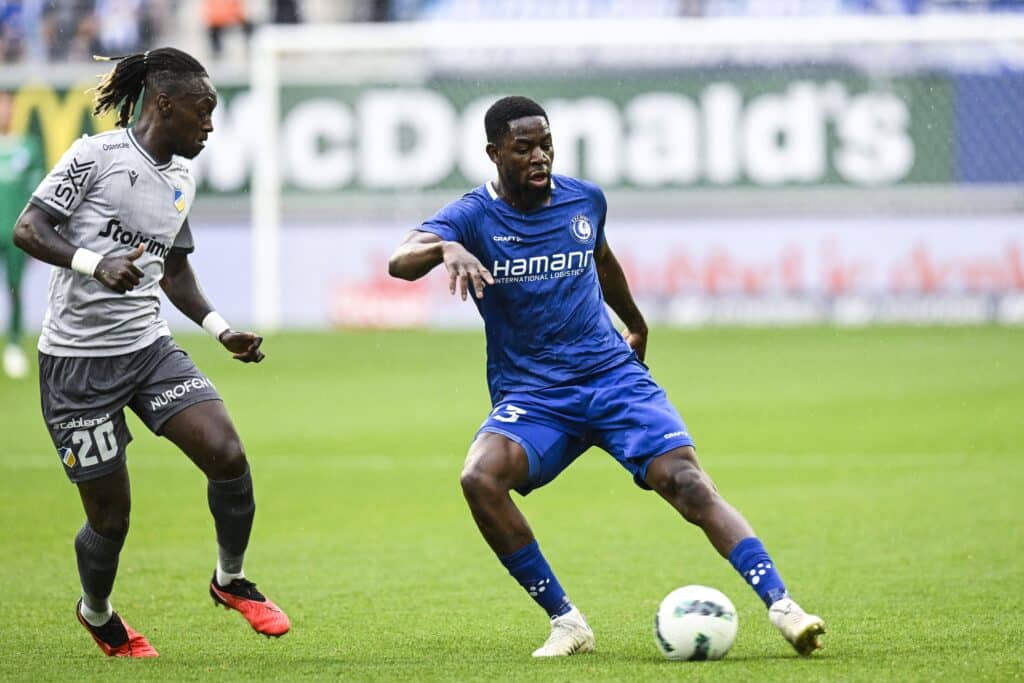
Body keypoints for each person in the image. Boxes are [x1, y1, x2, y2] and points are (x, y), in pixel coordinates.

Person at [388, 96, 826, 658]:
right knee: (480, 478)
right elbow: (399, 260)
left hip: (612, 378)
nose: (539, 157)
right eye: (524, 148)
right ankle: (567, 622)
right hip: (537, 396)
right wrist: (445, 246)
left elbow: (600, 256)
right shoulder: (471, 217)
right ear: (494, 153)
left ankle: (785, 608)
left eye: (546, 144)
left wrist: (636, 323)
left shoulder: (584, 199)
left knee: (688, 482)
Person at [12, 47, 290, 658]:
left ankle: (229, 579)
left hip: (147, 348)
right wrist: (94, 261)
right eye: (204, 111)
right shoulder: (95, 156)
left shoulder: (181, 179)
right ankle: (97, 611)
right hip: (77, 366)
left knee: (227, 452)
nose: (211, 125)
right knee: (111, 521)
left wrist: (221, 329)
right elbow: (28, 228)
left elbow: (174, 274)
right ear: (165, 104)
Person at [0, 89, 43, 378]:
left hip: (15, 233)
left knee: (15, 289)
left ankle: (14, 345)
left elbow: (38, 194)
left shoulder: (28, 146)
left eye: (7, 107)